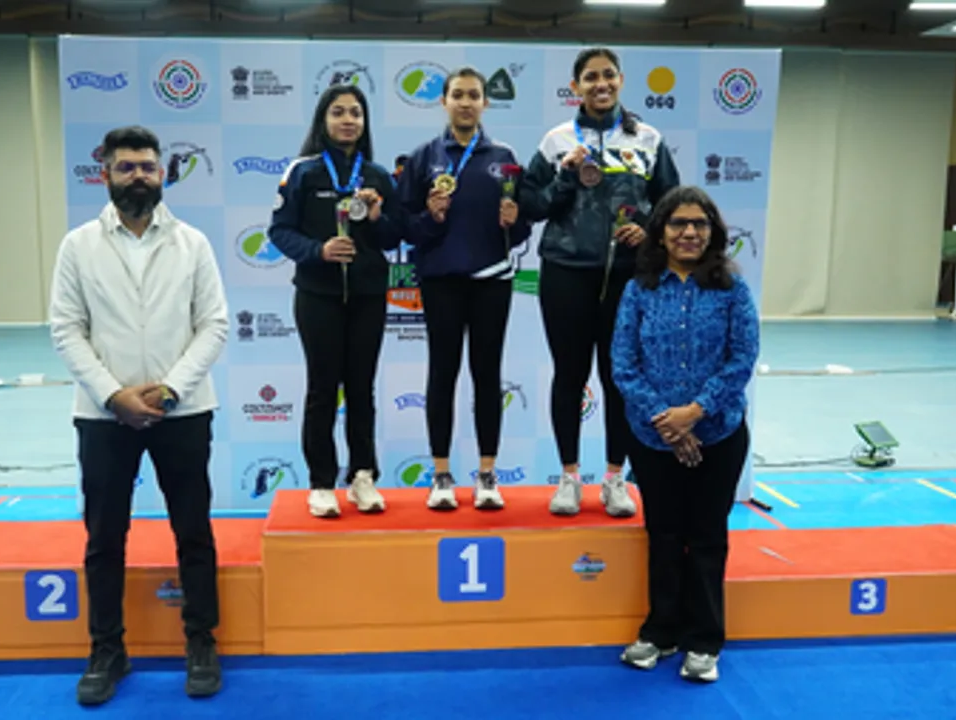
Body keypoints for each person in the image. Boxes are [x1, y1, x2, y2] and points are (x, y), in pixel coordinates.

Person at [48, 125, 230, 705]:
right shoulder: (77, 246)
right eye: (126, 167)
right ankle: (107, 649)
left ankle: (201, 641)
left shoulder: (193, 244)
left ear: (162, 174)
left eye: (147, 167)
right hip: (104, 417)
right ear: (105, 173)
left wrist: (171, 391)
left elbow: (215, 325)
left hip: (184, 411)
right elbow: (66, 329)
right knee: (104, 536)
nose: (138, 177)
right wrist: (113, 396)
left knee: (193, 531)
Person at [519, 46, 681, 518]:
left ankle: (614, 479)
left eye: (608, 75)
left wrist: (649, 227)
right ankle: (569, 478)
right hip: (566, 273)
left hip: (628, 276)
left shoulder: (648, 138)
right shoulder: (556, 140)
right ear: (576, 87)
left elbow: (674, 204)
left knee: (619, 379)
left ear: (621, 81)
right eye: (590, 77)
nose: (600, 84)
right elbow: (532, 207)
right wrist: (566, 175)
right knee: (570, 376)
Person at [610, 185, 760, 683]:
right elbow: (623, 365)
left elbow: (742, 359)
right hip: (653, 439)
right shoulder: (639, 289)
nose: (689, 232)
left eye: (699, 224)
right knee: (665, 536)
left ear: (713, 232)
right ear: (661, 232)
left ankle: (704, 640)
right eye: (678, 223)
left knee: (708, 536)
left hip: (718, 435)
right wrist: (666, 421)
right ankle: (660, 632)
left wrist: (695, 412)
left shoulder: (732, 290)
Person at [397, 67, 531, 511]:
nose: (467, 102)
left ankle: (487, 475)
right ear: (444, 101)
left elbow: (525, 228)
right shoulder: (423, 157)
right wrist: (430, 218)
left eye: (475, 95)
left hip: (493, 279)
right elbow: (404, 228)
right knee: (443, 373)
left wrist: (517, 222)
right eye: (458, 94)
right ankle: (440, 476)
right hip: (442, 282)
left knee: (487, 375)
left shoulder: (505, 156)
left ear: (485, 103)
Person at [268, 84, 404, 519]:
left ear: (365, 123)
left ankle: (363, 476)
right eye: (339, 112)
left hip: (367, 294)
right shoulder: (303, 172)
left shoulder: (379, 176)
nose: (348, 120)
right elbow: (279, 231)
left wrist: (380, 215)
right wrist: (318, 251)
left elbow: (392, 238)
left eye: (356, 113)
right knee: (322, 390)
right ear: (323, 120)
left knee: (361, 389)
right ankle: (322, 482)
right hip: (318, 294)